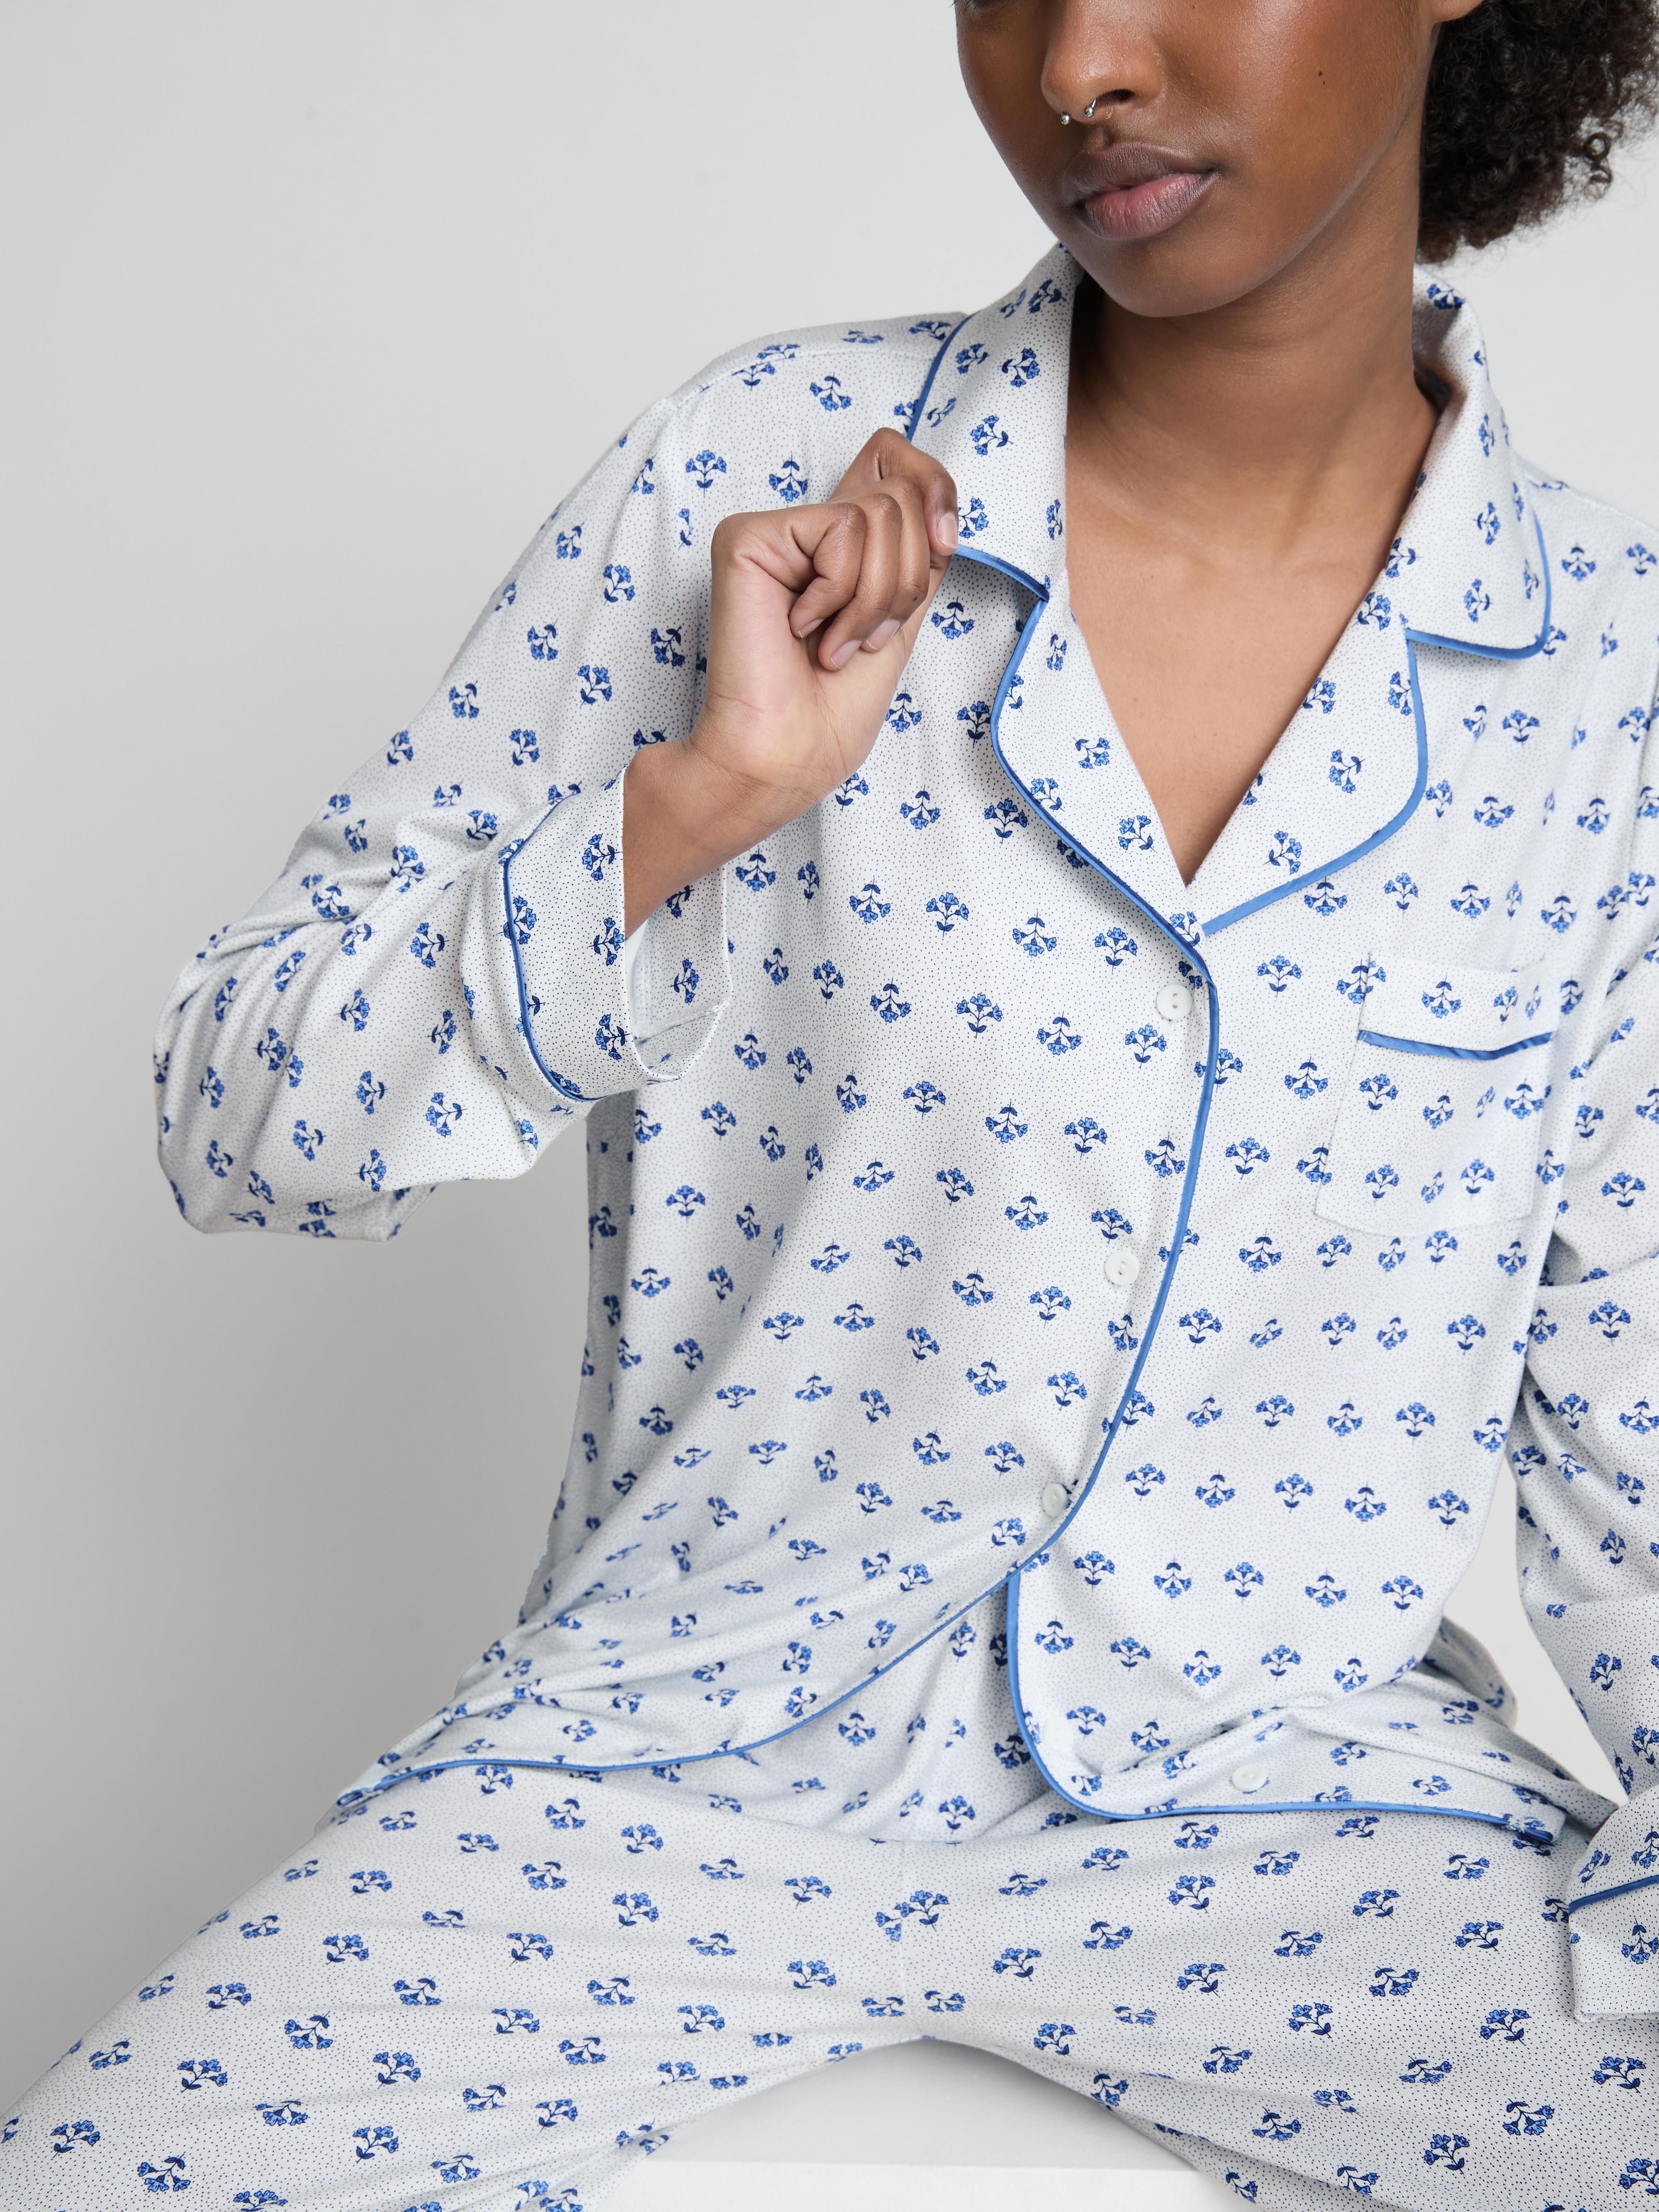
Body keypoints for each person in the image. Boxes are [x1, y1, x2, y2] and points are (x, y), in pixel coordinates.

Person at [10, 3, 1659, 2206]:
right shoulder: (752, 474)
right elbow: (244, 1103)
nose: (1080, 62)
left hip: (1301, 1829)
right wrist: (697, 802)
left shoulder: (1609, 685)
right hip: (664, 1779)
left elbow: (1632, 1410)